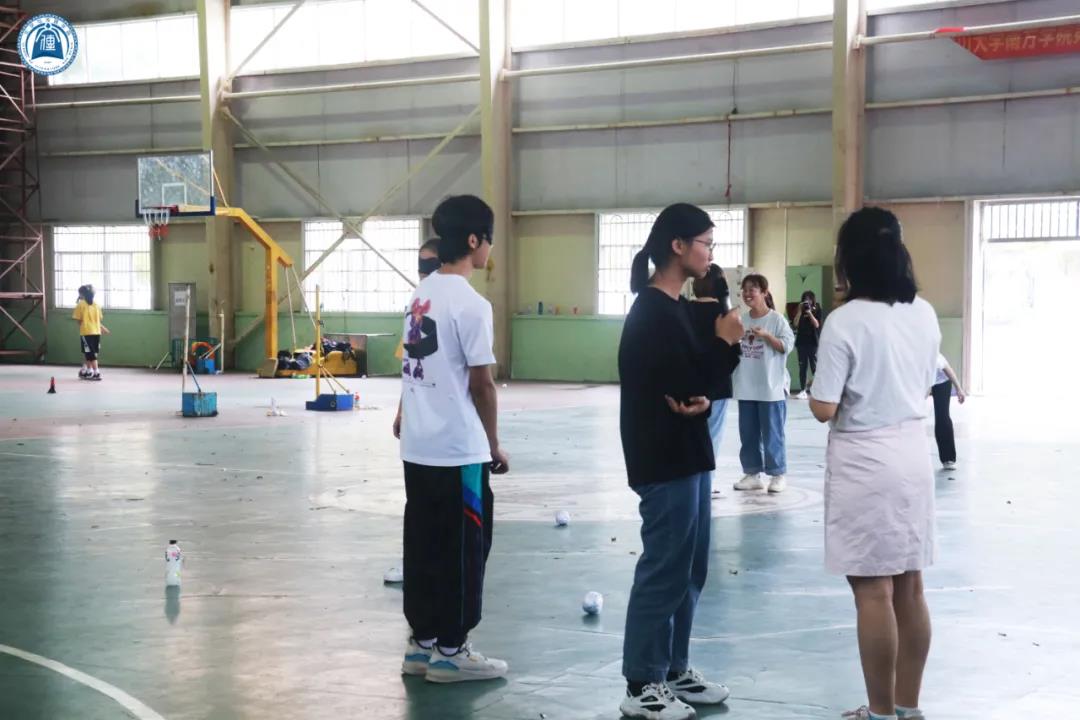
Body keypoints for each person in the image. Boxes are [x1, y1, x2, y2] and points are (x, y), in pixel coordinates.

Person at [809, 207, 940, 720]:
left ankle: (881, 712)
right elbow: (924, 383)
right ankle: (908, 706)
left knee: (872, 593)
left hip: (866, 462)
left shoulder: (844, 322)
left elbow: (824, 407)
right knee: (910, 585)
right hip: (913, 454)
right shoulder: (923, 313)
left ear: (849, 259)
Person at [618, 203, 743, 720]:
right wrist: (726, 344)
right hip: (663, 456)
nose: (710, 253)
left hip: (689, 453)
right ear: (677, 245)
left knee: (691, 567)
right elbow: (688, 379)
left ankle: (673, 668)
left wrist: (704, 395)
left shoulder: (677, 308)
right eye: (706, 243)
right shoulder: (652, 313)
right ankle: (641, 682)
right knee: (664, 568)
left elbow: (697, 385)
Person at [393, 195, 509, 684]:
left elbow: (413, 365)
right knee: (464, 549)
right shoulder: (472, 305)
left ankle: (421, 644)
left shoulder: (419, 295)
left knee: (423, 545)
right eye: (489, 240)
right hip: (458, 451)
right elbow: (482, 384)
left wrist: (404, 412)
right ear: (474, 241)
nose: (489, 250)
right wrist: (494, 444)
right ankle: (451, 650)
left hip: (417, 448)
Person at [732, 274, 795, 494]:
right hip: (746, 385)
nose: (747, 294)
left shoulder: (777, 320)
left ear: (764, 293)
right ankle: (752, 474)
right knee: (748, 434)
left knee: (772, 434)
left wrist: (767, 336)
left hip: (771, 387)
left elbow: (786, 346)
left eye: (753, 289)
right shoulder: (741, 320)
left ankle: (778, 474)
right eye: (745, 290)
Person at [689, 263, 742, 461]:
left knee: (691, 439)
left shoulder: (684, 310)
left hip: (689, 385)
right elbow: (734, 355)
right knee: (712, 439)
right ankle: (707, 477)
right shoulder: (725, 314)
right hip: (718, 387)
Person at [931, 352, 965, 469]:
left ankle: (948, 458)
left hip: (942, 382)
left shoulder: (935, 357)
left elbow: (949, 370)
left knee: (942, 417)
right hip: (925, 381)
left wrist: (959, 389)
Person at [72, 284, 109, 381]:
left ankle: (96, 372)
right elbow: (98, 320)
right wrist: (102, 328)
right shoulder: (97, 305)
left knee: (90, 354)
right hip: (96, 332)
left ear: (82, 294)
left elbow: (79, 320)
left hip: (86, 332)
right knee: (89, 353)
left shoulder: (81, 305)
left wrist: (84, 326)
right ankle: (88, 371)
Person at [792, 290, 823, 399]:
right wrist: (799, 312)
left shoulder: (817, 309)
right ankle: (803, 390)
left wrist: (810, 313)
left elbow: (817, 324)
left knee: (815, 366)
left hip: (813, 342)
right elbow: (795, 324)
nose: (807, 301)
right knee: (802, 367)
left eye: (809, 299)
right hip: (801, 342)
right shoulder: (800, 310)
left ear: (813, 300)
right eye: (805, 299)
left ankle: (819, 389)